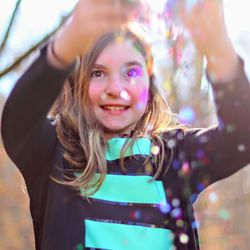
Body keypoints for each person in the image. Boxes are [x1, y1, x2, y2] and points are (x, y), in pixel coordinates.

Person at [1, 0, 250, 249]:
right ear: (78, 85)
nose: (116, 90)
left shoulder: (173, 158)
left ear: (149, 88)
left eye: (131, 73)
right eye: (98, 73)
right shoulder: (53, 154)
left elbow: (241, 137)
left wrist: (218, 44)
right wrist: (68, 43)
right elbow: (18, 121)